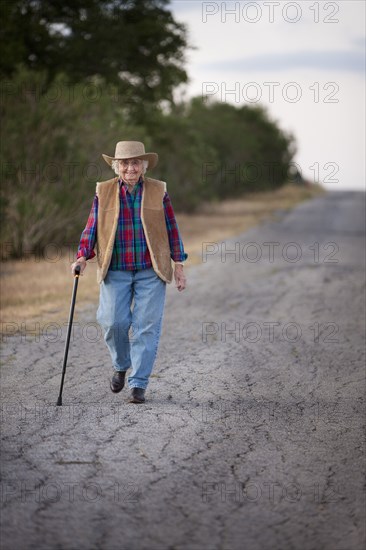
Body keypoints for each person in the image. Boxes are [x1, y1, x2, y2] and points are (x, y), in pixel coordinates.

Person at [71, 141, 187, 404]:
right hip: (116, 269)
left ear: (143, 166)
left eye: (135, 163)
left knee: (146, 327)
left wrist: (179, 264)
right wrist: (82, 255)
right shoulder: (104, 191)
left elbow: (172, 228)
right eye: (124, 163)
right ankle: (121, 365)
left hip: (151, 268)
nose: (130, 168)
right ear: (117, 167)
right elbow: (92, 226)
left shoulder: (158, 190)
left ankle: (138, 384)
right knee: (113, 322)